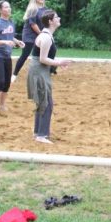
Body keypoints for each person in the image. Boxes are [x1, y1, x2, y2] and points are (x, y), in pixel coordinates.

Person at [26, 9, 71, 144]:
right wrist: (59, 63)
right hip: (39, 70)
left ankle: (38, 133)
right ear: (50, 21)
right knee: (46, 103)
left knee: (43, 102)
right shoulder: (45, 37)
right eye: (56, 17)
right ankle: (41, 135)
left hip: (40, 70)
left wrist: (57, 62)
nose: (59, 18)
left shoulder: (47, 35)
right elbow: (43, 59)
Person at [0, 0, 24, 114]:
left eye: (9, 7)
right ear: (0, 10)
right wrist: (5, 42)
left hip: (7, 56)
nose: (9, 9)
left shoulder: (11, 22)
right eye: (6, 7)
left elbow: (10, 36)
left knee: (7, 83)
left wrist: (17, 41)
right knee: (0, 81)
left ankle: (2, 105)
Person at [12, 0, 46, 82]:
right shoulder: (32, 9)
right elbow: (33, 24)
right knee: (25, 55)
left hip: (40, 35)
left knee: (44, 54)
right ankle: (14, 74)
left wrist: (46, 33)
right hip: (29, 36)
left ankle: (48, 71)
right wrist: (41, 34)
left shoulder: (45, 9)